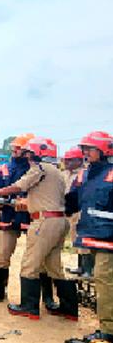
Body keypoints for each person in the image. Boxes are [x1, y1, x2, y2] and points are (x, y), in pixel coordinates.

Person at [0, 137, 76, 321]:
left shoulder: (38, 169)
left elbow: (17, 187)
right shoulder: (56, 171)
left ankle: (29, 307)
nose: (26, 155)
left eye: (28, 151)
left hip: (42, 220)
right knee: (53, 265)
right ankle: (68, 308)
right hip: (55, 220)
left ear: (37, 153)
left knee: (30, 264)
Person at [0, 133, 60, 309]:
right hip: (8, 217)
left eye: (19, 148)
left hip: (32, 217)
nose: (15, 150)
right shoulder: (5, 167)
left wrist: (25, 202)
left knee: (38, 258)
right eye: (14, 147)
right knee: (3, 255)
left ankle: (47, 298)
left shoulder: (37, 169)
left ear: (28, 151)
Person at [65, 131, 113, 343]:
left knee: (105, 281)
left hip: (110, 238)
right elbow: (72, 202)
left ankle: (108, 332)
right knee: (102, 280)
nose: (85, 152)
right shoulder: (84, 175)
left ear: (104, 151)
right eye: (84, 148)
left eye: (89, 149)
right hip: (92, 236)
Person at [62, 147, 94, 278]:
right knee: (76, 239)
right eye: (66, 160)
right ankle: (81, 266)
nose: (67, 163)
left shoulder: (83, 173)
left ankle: (87, 269)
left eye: (70, 160)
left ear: (79, 160)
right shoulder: (65, 174)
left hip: (80, 211)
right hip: (69, 210)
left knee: (84, 240)